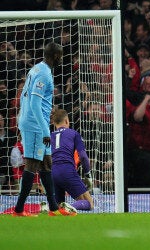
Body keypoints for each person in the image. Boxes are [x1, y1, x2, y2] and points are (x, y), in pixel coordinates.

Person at [13, 42, 75, 217]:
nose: (61, 59)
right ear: (56, 56)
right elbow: (34, 102)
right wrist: (45, 131)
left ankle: (54, 208)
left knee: (46, 163)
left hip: (35, 121)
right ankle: (18, 209)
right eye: (60, 56)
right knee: (32, 164)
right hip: (34, 124)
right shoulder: (44, 75)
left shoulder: (36, 68)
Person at [50, 109, 94, 211]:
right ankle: (70, 207)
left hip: (53, 172)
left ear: (54, 123)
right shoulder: (73, 133)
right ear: (66, 121)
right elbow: (83, 156)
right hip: (67, 170)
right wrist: (87, 174)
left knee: (58, 210)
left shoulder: (50, 136)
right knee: (89, 203)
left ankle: (52, 207)